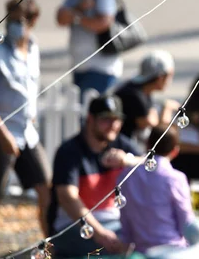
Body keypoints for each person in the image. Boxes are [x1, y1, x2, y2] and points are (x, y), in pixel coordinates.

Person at [0, 0, 50, 259]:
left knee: (46, 190)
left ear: (34, 21)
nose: (15, 26)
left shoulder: (34, 47)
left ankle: (52, 249)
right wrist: (2, 133)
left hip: (27, 133)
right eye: (12, 20)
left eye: (21, 20)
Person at [47, 95, 142, 257]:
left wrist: (128, 160)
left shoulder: (121, 144)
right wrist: (99, 233)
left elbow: (153, 164)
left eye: (117, 120)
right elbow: (67, 198)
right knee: (121, 248)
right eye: (106, 119)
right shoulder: (69, 152)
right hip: (74, 226)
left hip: (114, 222)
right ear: (90, 119)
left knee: (148, 240)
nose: (113, 125)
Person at [118, 125, 194, 253]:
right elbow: (186, 223)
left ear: (147, 144)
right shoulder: (175, 179)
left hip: (141, 251)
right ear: (175, 151)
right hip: (173, 250)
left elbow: (125, 223)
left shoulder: (126, 176)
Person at [56, 0, 122, 99]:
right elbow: (61, 18)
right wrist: (78, 9)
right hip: (79, 65)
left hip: (101, 67)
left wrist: (77, 17)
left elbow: (103, 23)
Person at [114, 50, 179, 149]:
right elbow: (157, 131)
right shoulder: (135, 95)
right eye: (170, 75)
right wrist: (167, 108)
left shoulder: (140, 89)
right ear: (161, 77)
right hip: (121, 147)